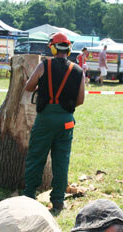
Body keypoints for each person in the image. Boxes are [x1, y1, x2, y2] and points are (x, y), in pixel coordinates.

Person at [23, 32, 85, 213]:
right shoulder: (78, 70)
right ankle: (58, 201)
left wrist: (40, 88)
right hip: (66, 120)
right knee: (62, 160)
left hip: (45, 119)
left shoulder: (44, 65)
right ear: (69, 49)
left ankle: (28, 195)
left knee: (36, 157)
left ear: (52, 47)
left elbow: (28, 86)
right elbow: (80, 100)